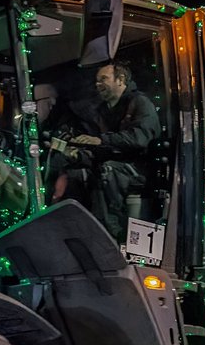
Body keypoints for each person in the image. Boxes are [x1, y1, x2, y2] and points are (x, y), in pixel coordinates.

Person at [43, 61, 160, 241]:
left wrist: (101, 140)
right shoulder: (101, 111)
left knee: (106, 171)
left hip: (139, 169)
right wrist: (77, 154)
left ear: (120, 79)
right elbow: (99, 149)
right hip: (114, 165)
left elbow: (140, 138)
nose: (98, 85)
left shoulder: (140, 103)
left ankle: (112, 234)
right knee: (76, 173)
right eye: (97, 81)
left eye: (103, 79)